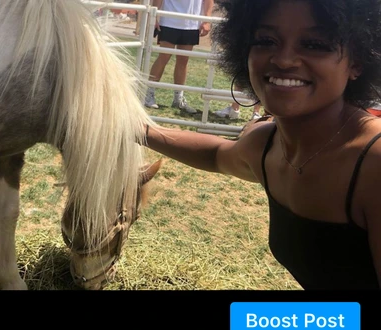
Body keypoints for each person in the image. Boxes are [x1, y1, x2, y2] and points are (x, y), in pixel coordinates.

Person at [143, 0, 381, 289]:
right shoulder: (268, 145)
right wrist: (138, 128)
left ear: (356, 61)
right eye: (266, 40)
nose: (284, 60)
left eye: (316, 44)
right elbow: (216, 153)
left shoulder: (373, 163)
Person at [144, 0, 215, 114]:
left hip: (191, 23)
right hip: (170, 20)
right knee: (163, 57)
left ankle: (178, 98)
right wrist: (155, 14)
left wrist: (207, 20)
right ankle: (149, 94)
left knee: (183, 61)